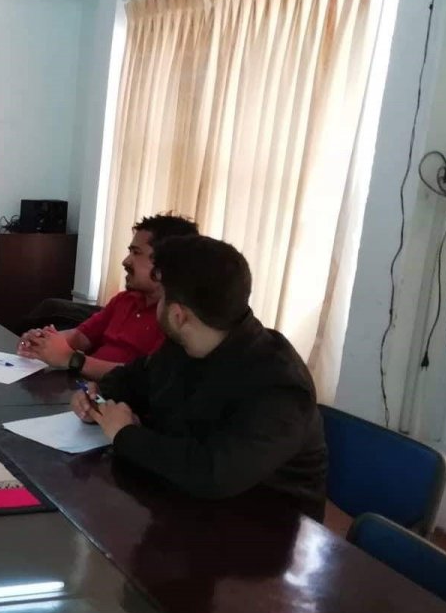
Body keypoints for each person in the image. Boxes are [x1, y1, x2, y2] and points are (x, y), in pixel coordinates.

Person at [72, 235, 327, 520]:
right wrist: (97, 397)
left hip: (262, 535)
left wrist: (125, 434)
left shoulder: (280, 385)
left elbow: (214, 473)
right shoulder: (184, 345)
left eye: (162, 296)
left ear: (179, 314)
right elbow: (133, 379)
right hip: (182, 509)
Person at [17, 213, 199, 380]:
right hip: (83, 390)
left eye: (136, 253)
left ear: (165, 263)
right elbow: (80, 337)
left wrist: (72, 360)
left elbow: (145, 377)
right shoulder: (124, 300)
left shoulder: (174, 319)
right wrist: (43, 341)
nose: (126, 261)